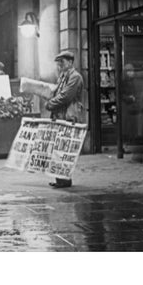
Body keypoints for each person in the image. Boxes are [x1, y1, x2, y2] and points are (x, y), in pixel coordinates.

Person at [45, 50, 84, 188]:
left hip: (69, 116)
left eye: (63, 62)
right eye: (58, 62)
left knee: (64, 149)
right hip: (61, 116)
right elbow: (59, 93)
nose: (60, 65)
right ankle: (60, 179)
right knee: (58, 149)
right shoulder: (63, 76)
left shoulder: (75, 77)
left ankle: (64, 179)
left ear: (71, 62)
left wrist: (50, 104)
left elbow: (66, 96)